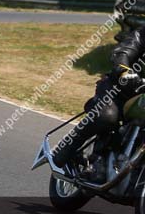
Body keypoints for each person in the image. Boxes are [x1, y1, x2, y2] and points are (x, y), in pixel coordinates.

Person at [51, 28, 145, 180]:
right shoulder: (143, 34)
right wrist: (123, 71)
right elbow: (126, 49)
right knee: (107, 116)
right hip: (120, 90)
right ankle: (69, 149)